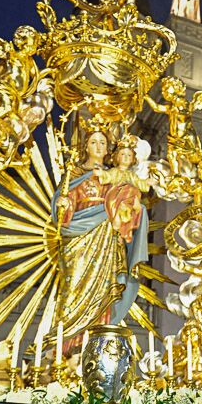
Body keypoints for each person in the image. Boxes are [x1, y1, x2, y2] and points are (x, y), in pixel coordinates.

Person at [52, 125, 149, 333]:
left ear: (108, 151)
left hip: (108, 239)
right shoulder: (75, 173)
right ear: (85, 146)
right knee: (72, 288)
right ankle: (65, 341)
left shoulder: (114, 176)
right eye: (93, 142)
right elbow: (63, 208)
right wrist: (63, 204)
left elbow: (129, 203)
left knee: (104, 290)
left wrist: (134, 209)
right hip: (78, 239)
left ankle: (95, 338)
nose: (98, 146)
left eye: (103, 143)